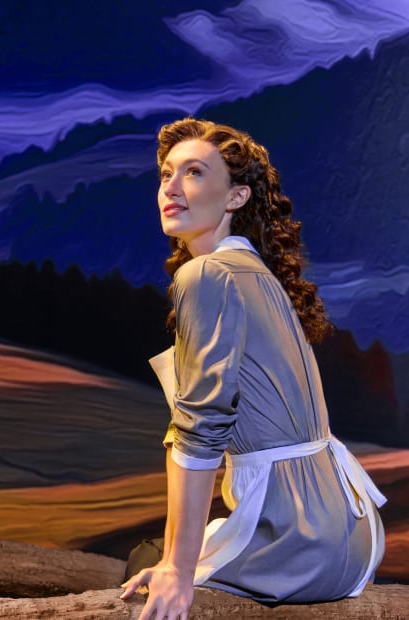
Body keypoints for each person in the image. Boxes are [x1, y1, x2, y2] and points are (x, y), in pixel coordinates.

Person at [119, 118, 386, 619]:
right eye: (166, 173)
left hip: (301, 538)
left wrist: (177, 568)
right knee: (153, 555)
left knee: (146, 565)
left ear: (236, 197)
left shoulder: (208, 274)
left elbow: (200, 432)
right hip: (352, 532)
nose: (171, 188)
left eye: (194, 173)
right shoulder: (254, 272)